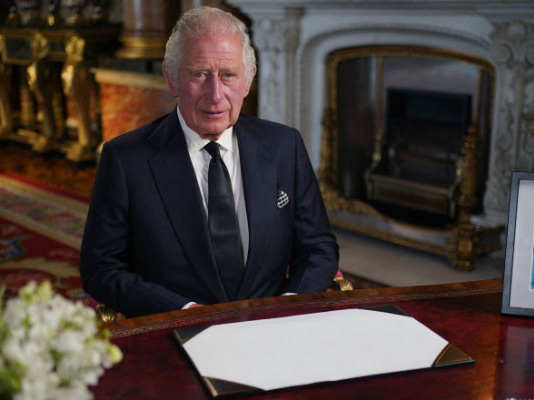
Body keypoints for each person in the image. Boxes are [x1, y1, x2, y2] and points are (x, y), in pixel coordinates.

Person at [79, 6, 339, 317]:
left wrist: (288, 305)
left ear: (248, 80)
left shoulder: (285, 145)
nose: (215, 95)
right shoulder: (126, 159)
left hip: (273, 326)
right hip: (177, 330)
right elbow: (101, 268)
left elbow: (318, 246)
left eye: (228, 75)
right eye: (199, 74)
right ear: (172, 79)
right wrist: (183, 311)